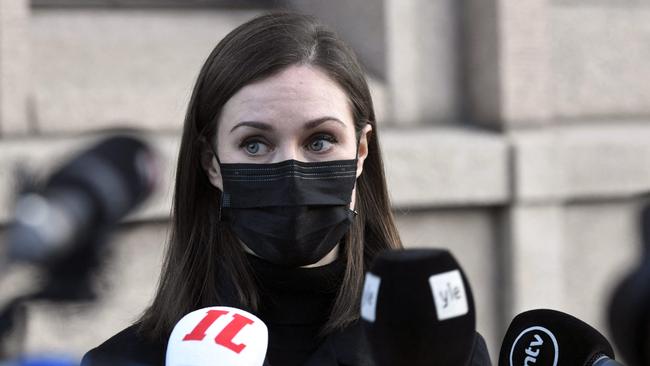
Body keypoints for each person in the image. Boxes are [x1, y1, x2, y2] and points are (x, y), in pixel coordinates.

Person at [82, 12, 491, 366]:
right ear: (212, 164)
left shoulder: (441, 353)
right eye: (254, 145)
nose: (291, 170)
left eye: (319, 141)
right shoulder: (129, 359)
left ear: (361, 149)